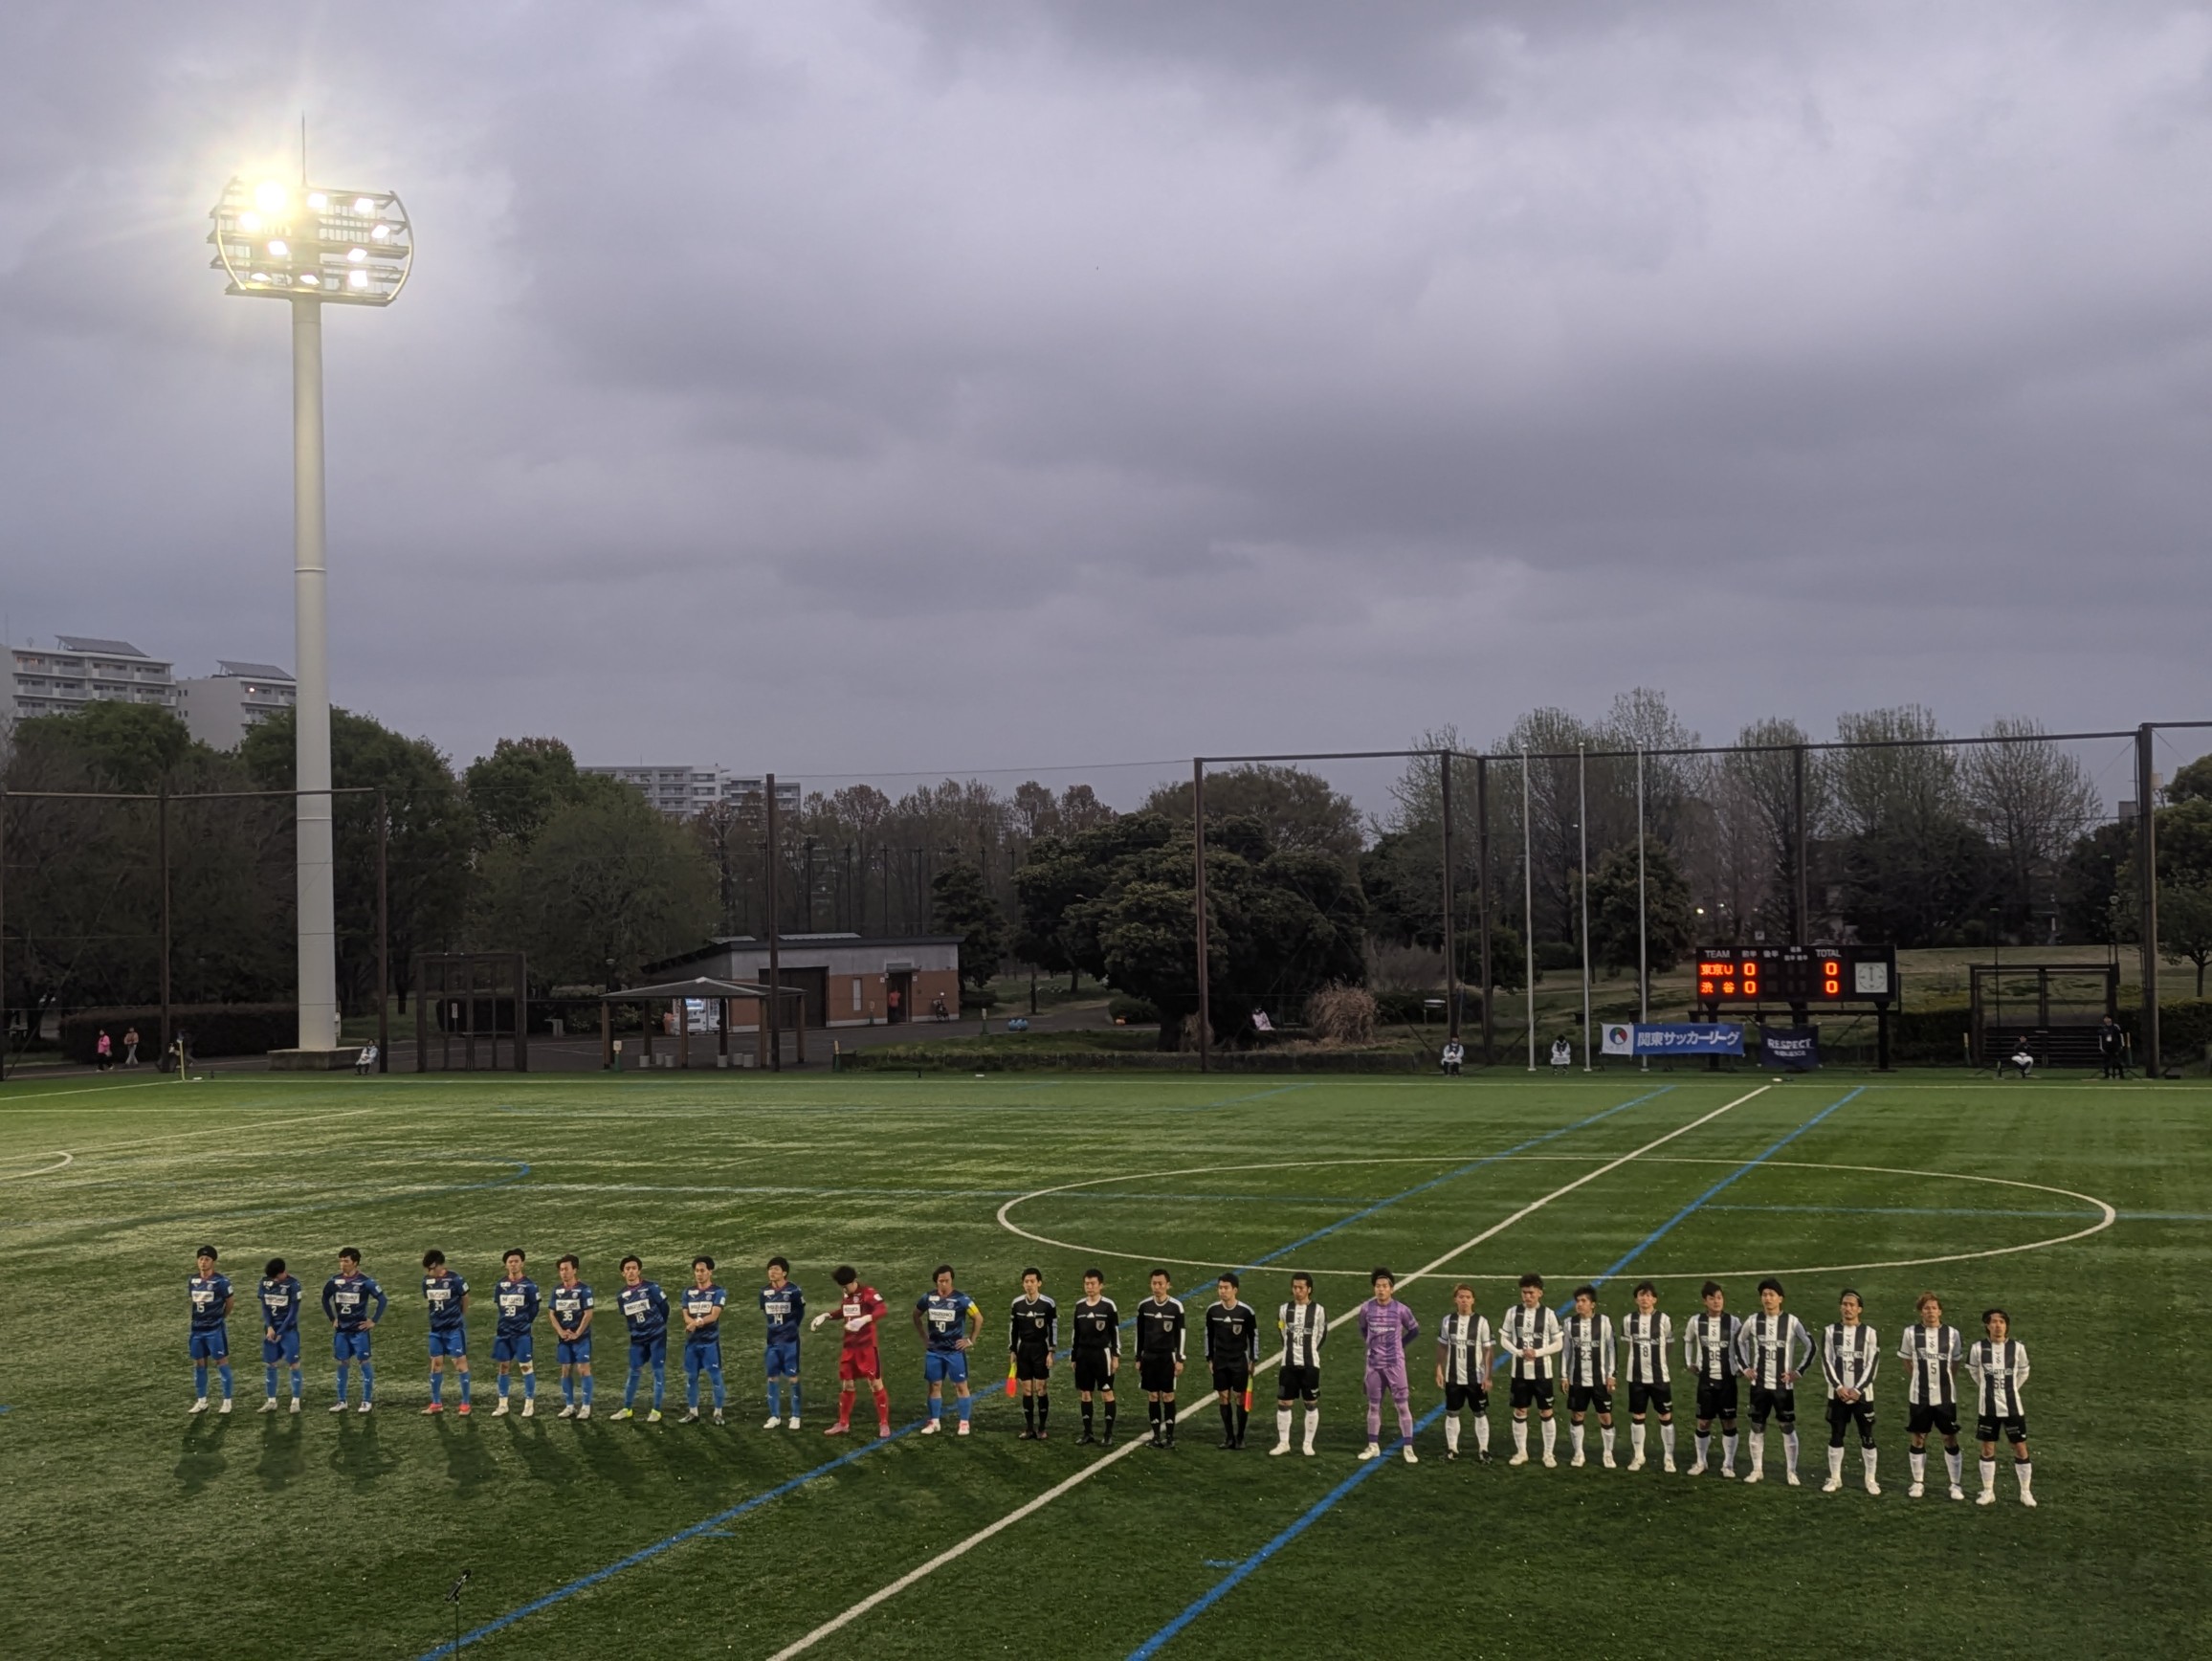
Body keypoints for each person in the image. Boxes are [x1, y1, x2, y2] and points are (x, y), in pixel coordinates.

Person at [1735, 1276, 1812, 1486]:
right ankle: (1757, 1470)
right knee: (1756, 1426)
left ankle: (1791, 1471)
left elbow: (1810, 1345)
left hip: (1782, 1386)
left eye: (1771, 1295)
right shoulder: (1753, 1320)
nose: (1767, 1298)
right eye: (1764, 1295)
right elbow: (1738, 1341)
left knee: (1786, 1426)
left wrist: (1798, 1372)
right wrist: (1745, 1367)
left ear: (1780, 1298)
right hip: (1759, 1385)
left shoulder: (1791, 1322)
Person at [1898, 1293, 1966, 1499]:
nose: (1930, 1312)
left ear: (1940, 1311)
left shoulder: (1952, 1334)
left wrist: (1945, 1380)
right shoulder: (1910, 1333)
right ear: (1921, 1312)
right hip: (1919, 1395)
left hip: (1945, 1396)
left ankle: (1955, 1484)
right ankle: (1918, 1482)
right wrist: (1919, 1377)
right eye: (1926, 1308)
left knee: (1949, 1437)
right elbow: (1907, 1360)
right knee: (1919, 1437)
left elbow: (1955, 1362)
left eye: (1934, 1308)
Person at [813, 1265, 892, 1437]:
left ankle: (884, 1423)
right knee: (847, 1384)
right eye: (842, 1287)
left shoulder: (868, 1293)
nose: (844, 1290)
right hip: (849, 1347)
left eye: (846, 1286)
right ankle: (843, 1423)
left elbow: (882, 1310)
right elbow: (845, 1311)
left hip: (867, 1347)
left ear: (854, 1281)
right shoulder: (846, 1294)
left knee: (875, 1384)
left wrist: (865, 1319)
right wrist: (827, 1316)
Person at [1967, 1308, 2034, 1507]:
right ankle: (1988, 1491)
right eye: (1994, 1322)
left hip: (2013, 1408)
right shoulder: (1978, 1348)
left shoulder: (2017, 1348)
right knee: (1988, 1448)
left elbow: (2023, 1372)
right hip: (1988, 1408)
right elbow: (1974, 1372)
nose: (1998, 1326)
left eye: (2002, 1322)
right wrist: (1986, 1390)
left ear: (2006, 1326)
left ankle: (2025, 1492)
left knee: (2020, 1447)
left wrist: (2011, 1389)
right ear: (1987, 1326)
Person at [1356, 1268, 1421, 1464]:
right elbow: (1363, 1329)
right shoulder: (1366, 1309)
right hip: (1374, 1365)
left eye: (1385, 1286)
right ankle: (1373, 1446)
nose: (1381, 1289)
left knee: (1402, 1405)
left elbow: (1414, 1330)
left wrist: (1400, 1345)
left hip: (1395, 1364)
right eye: (1378, 1286)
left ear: (1392, 1289)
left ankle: (1408, 1447)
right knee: (1373, 1405)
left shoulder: (1401, 1309)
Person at [1498, 1272, 1562, 1467]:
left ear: (1540, 1293)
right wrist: (1518, 1352)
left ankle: (1548, 1454)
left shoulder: (1549, 1314)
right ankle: (1521, 1452)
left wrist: (1537, 1352)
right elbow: (1504, 1339)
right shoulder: (1512, 1312)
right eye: (1524, 1292)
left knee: (1546, 1412)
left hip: (1543, 1373)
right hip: (1519, 1373)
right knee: (1520, 1411)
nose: (1527, 1296)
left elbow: (1559, 1343)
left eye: (1531, 1293)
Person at [1822, 1289, 1880, 1495]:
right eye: (1844, 1304)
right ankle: (1835, 1478)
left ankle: (1870, 1479)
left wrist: (1857, 1389)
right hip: (1837, 1394)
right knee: (1836, 1435)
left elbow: (1872, 1364)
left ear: (1859, 1309)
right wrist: (1838, 1387)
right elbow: (1827, 1361)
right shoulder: (1830, 1331)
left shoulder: (1869, 1333)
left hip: (1863, 1396)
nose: (1847, 1308)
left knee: (1867, 1436)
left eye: (1852, 1305)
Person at [914, 1264, 983, 1435]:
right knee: (934, 1385)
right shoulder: (928, 1298)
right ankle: (934, 1421)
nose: (944, 1284)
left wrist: (970, 1340)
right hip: (934, 1351)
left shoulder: (962, 1299)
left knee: (960, 1386)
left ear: (952, 1280)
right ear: (936, 1281)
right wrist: (924, 1337)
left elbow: (978, 1318)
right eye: (941, 1281)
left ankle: (964, 1422)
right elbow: (916, 1315)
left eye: (947, 1281)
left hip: (954, 1351)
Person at [1683, 1280, 1740, 1477]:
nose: (1717, 1302)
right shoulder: (1696, 1321)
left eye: (1719, 1297)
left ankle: (1728, 1464)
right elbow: (1688, 1340)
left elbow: (1743, 1344)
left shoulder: (1733, 1322)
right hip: (1706, 1380)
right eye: (1712, 1298)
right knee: (1703, 1422)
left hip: (1727, 1380)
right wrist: (1688, 1362)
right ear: (1704, 1301)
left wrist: (1742, 1366)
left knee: (1729, 1422)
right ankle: (1701, 1462)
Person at [1620, 1280, 1675, 1473]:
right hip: (1636, 1377)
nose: (1645, 1298)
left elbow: (1668, 1344)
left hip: (1660, 1377)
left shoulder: (1664, 1319)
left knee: (1665, 1416)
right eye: (1641, 1295)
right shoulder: (1628, 1320)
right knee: (1638, 1416)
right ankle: (1638, 1455)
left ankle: (1668, 1457)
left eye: (1649, 1295)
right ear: (1636, 1299)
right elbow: (1628, 1344)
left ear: (1655, 1299)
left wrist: (1659, 1362)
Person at [322, 1248, 386, 1413]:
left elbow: (382, 1300)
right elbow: (324, 1298)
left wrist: (373, 1321)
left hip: (359, 1331)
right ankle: (341, 1401)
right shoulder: (334, 1281)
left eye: (346, 1261)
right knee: (342, 1364)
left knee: (364, 1363)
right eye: (341, 1260)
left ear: (355, 1263)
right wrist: (332, 1318)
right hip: (342, 1331)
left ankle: (366, 1401)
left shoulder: (365, 1282)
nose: (342, 1264)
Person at [1561, 1284, 1617, 1469]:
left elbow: (1611, 1348)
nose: (1579, 1304)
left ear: (1593, 1304)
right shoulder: (1569, 1323)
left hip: (1599, 1379)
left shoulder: (1604, 1322)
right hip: (1577, 1379)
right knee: (1577, 1415)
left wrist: (1611, 1374)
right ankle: (1578, 1453)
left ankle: (1608, 1453)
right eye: (1577, 1301)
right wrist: (1564, 1376)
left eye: (1583, 1301)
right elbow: (1566, 1351)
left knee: (1605, 1416)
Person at [1435, 1283, 1492, 1463]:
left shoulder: (1481, 1322)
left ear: (1473, 1300)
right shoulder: (1447, 1321)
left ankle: (1483, 1449)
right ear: (1455, 1300)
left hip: (1476, 1377)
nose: (1464, 1300)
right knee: (1452, 1412)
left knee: (1480, 1413)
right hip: (1453, 1377)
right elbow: (1442, 1346)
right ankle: (1452, 1449)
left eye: (1468, 1297)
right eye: (1461, 1297)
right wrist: (1439, 1368)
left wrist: (1488, 1376)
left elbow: (1488, 1350)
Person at [1204, 1273, 1261, 1450]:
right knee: (1223, 1396)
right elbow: (1208, 1335)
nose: (1222, 1291)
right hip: (1220, 1360)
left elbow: (1253, 1336)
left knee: (1240, 1397)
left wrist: (1253, 1359)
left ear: (1235, 1290)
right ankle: (1229, 1437)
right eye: (1220, 1287)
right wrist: (1209, 1358)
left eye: (1226, 1288)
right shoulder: (1213, 1311)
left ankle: (1240, 1436)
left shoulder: (1245, 1312)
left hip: (1239, 1360)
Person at [1273, 1272, 1327, 1457]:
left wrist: (1311, 1350)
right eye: (1295, 1287)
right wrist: (1291, 1349)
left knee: (1310, 1403)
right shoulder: (1284, 1309)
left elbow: (1321, 1335)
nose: (1297, 1291)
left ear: (1309, 1289)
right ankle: (1284, 1443)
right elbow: (1282, 1332)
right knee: (1284, 1402)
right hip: (1288, 1364)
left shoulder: (1318, 1310)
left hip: (1310, 1365)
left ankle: (1307, 1444)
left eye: (1301, 1288)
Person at [612, 1254, 669, 1423]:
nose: (631, 1271)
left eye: (634, 1268)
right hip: (637, 1339)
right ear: (623, 1273)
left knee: (657, 1372)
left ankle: (656, 1410)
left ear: (639, 1271)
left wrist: (658, 1325)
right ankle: (627, 1409)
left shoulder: (652, 1288)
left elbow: (665, 1308)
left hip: (656, 1336)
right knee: (634, 1372)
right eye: (627, 1269)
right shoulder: (621, 1296)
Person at [1135, 1268, 1187, 1449]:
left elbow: (1181, 1334)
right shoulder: (1144, 1306)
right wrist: (1138, 1357)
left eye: (1160, 1284)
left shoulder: (1176, 1307)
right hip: (1149, 1357)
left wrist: (1180, 1359)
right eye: (1154, 1283)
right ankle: (1156, 1436)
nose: (1157, 1287)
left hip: (1167, 1357)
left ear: (1168, 1285)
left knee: (1168, 1395)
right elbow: (1139, 1334)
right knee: (1152, 1395)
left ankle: (1170, 1437)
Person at [1068, 1268, 1121, 1447]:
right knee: (1085, 1394)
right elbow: (1075, 1334)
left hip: (1102, 1355)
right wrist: (1073, 1356)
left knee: (1106, 1392)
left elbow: (1115, 1333)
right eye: (1087, 1284)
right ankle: (1087, 1432)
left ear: (1101, 1285)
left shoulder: (1108, 1306)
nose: (1089, 1287)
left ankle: (1108, 1433)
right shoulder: (1079, 1306)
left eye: (1093, 1284)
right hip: (1083, 1355)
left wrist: (1115, 1355)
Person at [420, 1249, 473, 1416]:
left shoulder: (455, 1279)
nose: (429, 1272)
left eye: (431, 1268)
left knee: (460, 1364)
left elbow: (465, 1297)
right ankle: (436, 1403)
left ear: (439, 1265)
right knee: (436, 1364)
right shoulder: (427, 1281)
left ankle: (465, 1403)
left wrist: (461, 1315)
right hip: (436, 1330)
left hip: (453, 1329)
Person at [1007, 1268, 1057, 1440]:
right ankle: (1029, 1428)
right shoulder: (1017, 1304)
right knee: (1027, 1389)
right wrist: (1013, 1350)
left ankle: (1042, 1428)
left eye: (1032, 1281)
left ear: (1039, 1283)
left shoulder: (1048, 1304)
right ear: (1023, 1284)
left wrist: (1051, 1351)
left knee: (1041, 1388)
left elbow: (1053, 1328)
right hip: (1024, 1350)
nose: (1029, 1285)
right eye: (1026, 1282)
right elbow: (1013, 1329)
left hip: (1041, 1349)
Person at [491, 1249, 541, 1418]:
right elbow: (500, 1306)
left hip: (521, 1334)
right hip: (504, 1332)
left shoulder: (530, 1286)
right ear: (506, 1265)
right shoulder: (500, 1285)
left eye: (516, 1261)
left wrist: (524, 1322)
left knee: (526, 1367)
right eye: (510, 1262)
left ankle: (529, 1404)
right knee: (503, 1366)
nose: (513, 1264)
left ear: (522, 1263)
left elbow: (534, 1309)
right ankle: (502, 1404)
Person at [188, 1245, 234, 1415]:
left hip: (214, 1329)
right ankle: (202, 1401)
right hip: (197, 1330)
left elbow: (230, 1303)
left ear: (213, 1262)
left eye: (207, 1259)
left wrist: (220, 1318)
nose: (203, 1262)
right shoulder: (193, 1280)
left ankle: (227, 1401)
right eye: (200, 1259)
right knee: (199, 1364)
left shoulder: (221, 1282)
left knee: (221, 1362)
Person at [760, 1256, 805, 1429]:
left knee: (793, 1378)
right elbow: (765, 1312)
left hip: (790, 1341)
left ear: (784, 1272)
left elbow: (800, 1312)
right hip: (772, 1341)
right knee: (772, 1377)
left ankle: (795, 1416)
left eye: (776, 1269)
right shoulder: (764, 1292)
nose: (772, 1272)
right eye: (770, 1269)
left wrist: (790, 1328)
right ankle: (774, 1416)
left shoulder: (794, 1291)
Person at [680, 1255, 727, 1424]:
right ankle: (693, 1412)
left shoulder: (718, 1292)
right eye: (697, 1271)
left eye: (702, 1271)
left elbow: (714, 1315)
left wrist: (696, 1323)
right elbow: (685, 1314)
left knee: (715, 1377)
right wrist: (691, 1323)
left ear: (710, 1272)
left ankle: (718, 1413)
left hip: (710, 1343)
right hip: (692, 1343)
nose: (699, 1274)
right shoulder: (688, 1292)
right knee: (691, 1377)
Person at [549, 1253, 595, 1419]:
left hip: (581, 1338)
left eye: (567, 1269)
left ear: (574, 1270)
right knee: (565, 1370)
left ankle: (586, 1406)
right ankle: (570, 1406)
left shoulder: (584, 1290)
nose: (564, 1272)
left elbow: (588, 1314)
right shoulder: (557, 1291)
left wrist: (577, 1333)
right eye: (561, 1270)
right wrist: (561, 1332)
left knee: (583, 1369)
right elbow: (552, 1314)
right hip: (564, 1339)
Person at [257, 1256, 304, 1413]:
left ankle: (295, 1401)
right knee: (270, 1364)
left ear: (283, 1272)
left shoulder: (293, 1285)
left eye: (276, 1277)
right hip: (271, 1331)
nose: (274, 1280)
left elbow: (293, 1313)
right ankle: (271, 1401)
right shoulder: (265, 1282)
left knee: (294, 1364)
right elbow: (265, 1307)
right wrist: (270, 1327)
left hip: (288, 1331)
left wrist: (281, 1332)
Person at [2098, 1015, 2127, 1079]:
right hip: (2106, 1047)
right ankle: (2106, 1075)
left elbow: (2120, 1036)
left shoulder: (2115, 1027)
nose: (2106, 1020)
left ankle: (2121, 1075)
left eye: (2107, 1018)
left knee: (2118, 1061)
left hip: (2115, 1047)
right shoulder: (2103, 1028)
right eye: (2105, 1018)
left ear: (2110, 1019)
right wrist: (2101, 1048)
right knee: (2106, 1062)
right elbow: (2101, 1039)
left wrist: (2121, 1046)